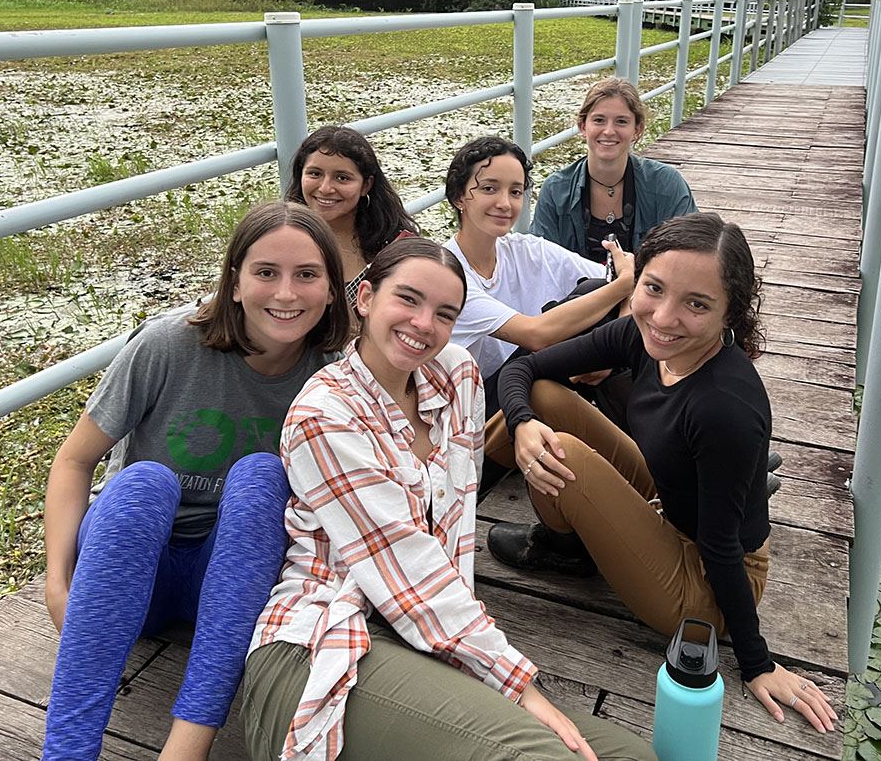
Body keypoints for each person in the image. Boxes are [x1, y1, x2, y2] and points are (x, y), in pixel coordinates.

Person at [240, 236, 655, 761]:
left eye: (444, 313)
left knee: (629, 754)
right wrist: (516, 685)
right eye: (407, 299)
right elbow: (408, 567)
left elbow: (454, 539)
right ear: (365, 298)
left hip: (429, 636)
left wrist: (473, 662)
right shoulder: (325, 414)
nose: (423, 324)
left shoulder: (457, 376)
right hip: (325, 640)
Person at [486, 212, 838, 734]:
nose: (665, 317)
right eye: (654, 288)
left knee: (565, 455)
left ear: (729, 313)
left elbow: (720, 547)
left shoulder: (724, 407)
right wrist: (521, 423)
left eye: (697, 304)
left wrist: (757, 662)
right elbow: (524, 368)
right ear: (637, 279)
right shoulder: (643, 333)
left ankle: (571, 538)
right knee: (539, 402)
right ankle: (568, 547)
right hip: (669, 504)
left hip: (708, 586)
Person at [42, 202, 350, 761]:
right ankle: (66, 750)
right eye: (265, 273)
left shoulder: (333, 373)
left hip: (235, 578)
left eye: (306, 275)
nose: (285, 294)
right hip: (139, 565)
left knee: (261, 477)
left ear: (332, 290)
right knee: (143, 485)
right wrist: (58, 583)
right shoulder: (168, 345)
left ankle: (188, 746)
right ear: (234, 283)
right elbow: (72, 462)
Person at [441, 135, 634, 418]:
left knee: (598, 294)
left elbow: (632, 280)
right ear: (459, 196)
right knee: (596, 301)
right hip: (480, 408)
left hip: (529, 381)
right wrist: (623, 285)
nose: (505, 203)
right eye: (489, 188)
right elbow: (536, 335)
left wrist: (611, 347)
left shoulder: (525, 249)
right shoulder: (447, 273)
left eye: (516, 192)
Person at [531, 77, 696, 261]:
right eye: (599, 120)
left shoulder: (667, 184)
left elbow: (691, 255)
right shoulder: (556, 189)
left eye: (621, 122)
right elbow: (540, 263)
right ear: (583, 127)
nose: (609, 131)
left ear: (637, 130)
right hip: (577, 290)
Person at [285, 125, 418, 309]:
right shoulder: (281, 238)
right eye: (315, 174)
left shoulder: (395, 248)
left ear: (366, 185)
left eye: (342, 178)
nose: (325, 188)